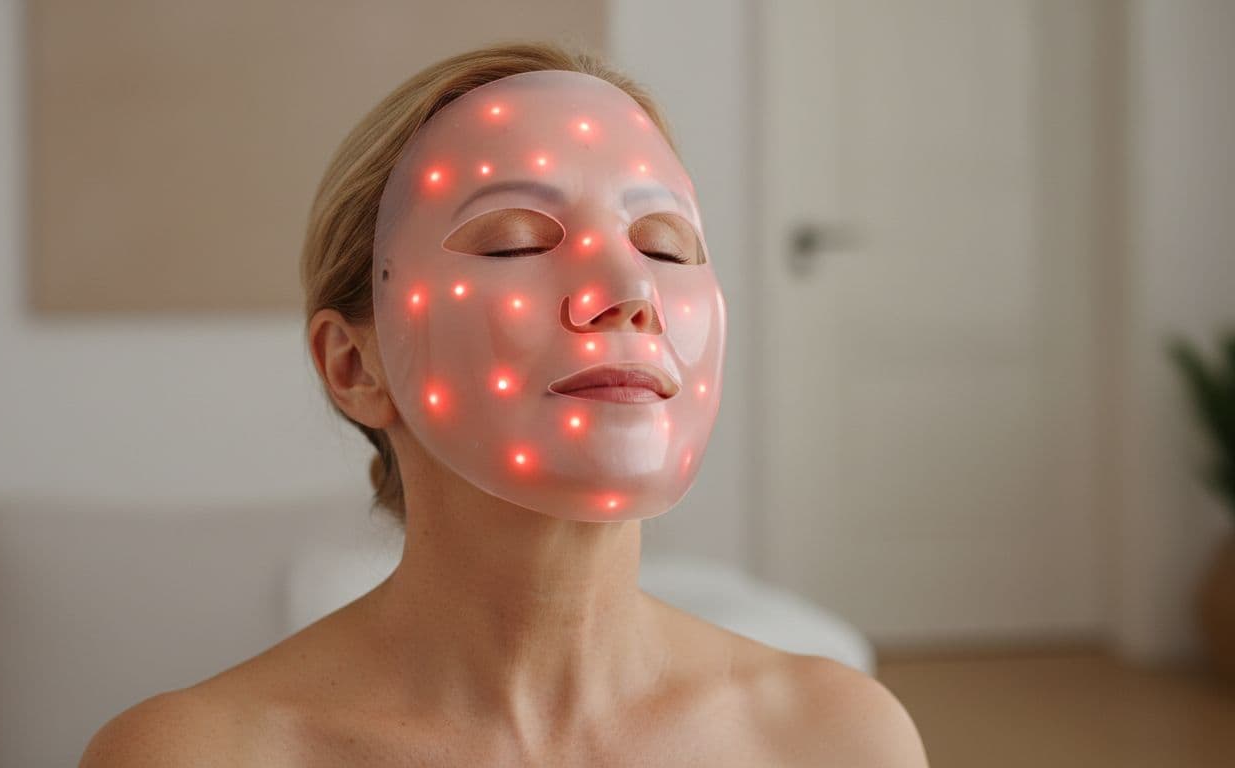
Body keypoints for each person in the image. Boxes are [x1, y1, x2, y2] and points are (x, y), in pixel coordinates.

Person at [80, 42, 926, 766]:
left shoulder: (837, 739)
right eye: (515, 240)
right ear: (352, 364)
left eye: (667, 246)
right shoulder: (198, 754)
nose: (629, 292)